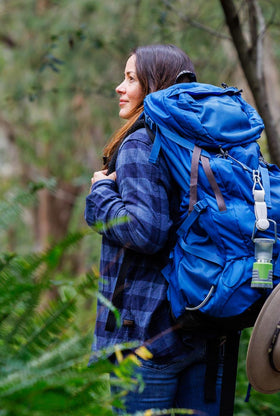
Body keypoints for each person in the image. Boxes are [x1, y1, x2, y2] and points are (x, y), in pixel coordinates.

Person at [85, 44, 225, 415]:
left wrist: (100, 192)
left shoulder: (140, 142)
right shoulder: (207, 143)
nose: (120, 87)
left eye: (130, 78)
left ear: (155, 85)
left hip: (148, 334)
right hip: (208, 326)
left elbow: (145, 232)